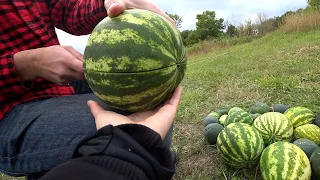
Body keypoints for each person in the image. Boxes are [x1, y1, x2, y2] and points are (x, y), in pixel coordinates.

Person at [0, 0, 176, 179]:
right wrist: (27, 65)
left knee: (147, 98)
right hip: (7, 111)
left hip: (54, 84)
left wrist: (107, 4)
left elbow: (67, 9)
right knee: (132, 131)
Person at [39, 86, 182, 180]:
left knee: (151, 100)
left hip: (61, 86)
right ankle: (151, 159)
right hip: (20, 103)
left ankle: (151, 159)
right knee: (91, 125)